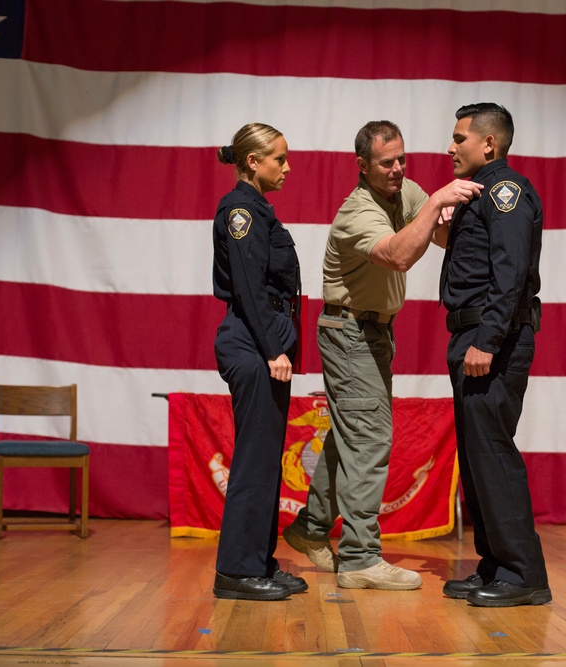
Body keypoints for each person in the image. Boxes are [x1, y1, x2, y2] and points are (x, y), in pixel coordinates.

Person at [283, 120, 482, 590]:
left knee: (353, 436)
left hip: (373, 333)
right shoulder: (358, 211)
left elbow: (436, 237)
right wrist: (436, 202)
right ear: (362, 166)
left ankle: (310, 528)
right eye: (386, 162)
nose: (397, 169)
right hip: (349, 331)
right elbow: (397, 254)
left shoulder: (404, 191)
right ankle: (359, 558)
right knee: (370, 442)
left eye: (401, 159)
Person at [438, 103, 550, 607]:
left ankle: (523, 573)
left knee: (493, 454)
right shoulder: (478, 196)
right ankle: (494, 564)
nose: (451, 146)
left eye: (460, 138)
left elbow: (509, 273)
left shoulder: (505, 192)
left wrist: (487, 340)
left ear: (489, 143)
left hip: (491, 340)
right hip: (472, 336)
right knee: (476, 456)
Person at [210, 123, 306, 600]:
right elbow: (249, 289)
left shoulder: (258, 208)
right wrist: (274, 350)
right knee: (254, 460)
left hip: (262, 338)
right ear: (253, 161)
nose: (287, 167)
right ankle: (236, 570)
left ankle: (259, 564)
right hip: (252, 342)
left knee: (266, 459)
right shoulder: (241, 211)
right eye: (279, 159)